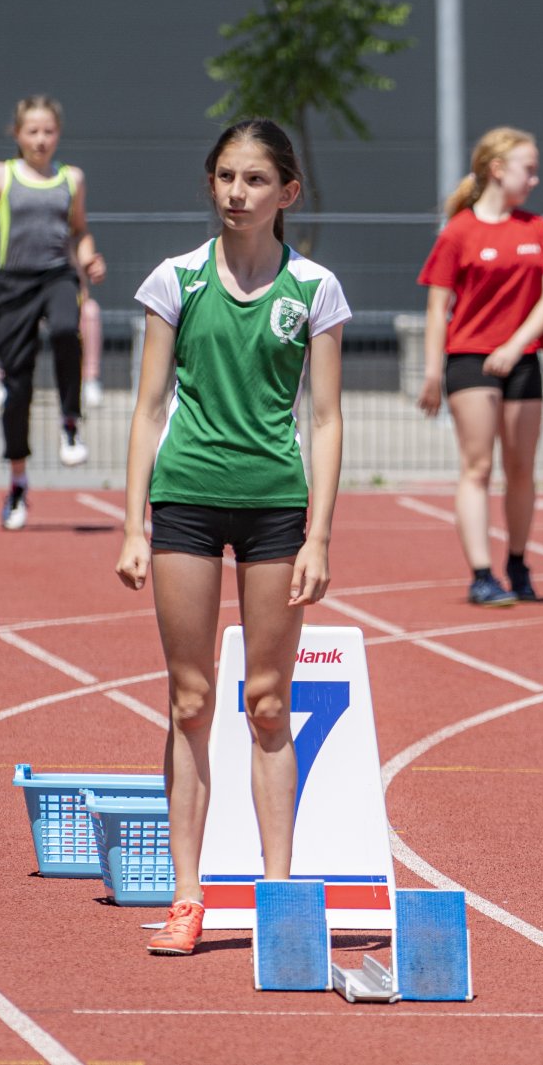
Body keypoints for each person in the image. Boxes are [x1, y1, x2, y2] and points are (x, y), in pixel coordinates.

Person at [115, 119, 348, 957]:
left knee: (268, 703)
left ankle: (279, 891)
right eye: (224, 177)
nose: (236, 193)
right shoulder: (174, 280)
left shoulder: (314, 288)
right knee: (188, 700)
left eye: (254, 179)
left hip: (276, 509)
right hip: (185, 500)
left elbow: (324, 419)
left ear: (287, 192)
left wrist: (320, 532)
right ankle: (187, 895)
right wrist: (132, 521)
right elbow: (146, 410)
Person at [416, 126, 543, 606]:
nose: (536, 179)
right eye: (529, 168)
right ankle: (482, 574)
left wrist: (516, 344)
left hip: (522, 359)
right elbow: (438, 308)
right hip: (469, 358)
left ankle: (518, 564)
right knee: (477, 466)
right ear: (498, 170)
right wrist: (433, 373)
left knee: (520, 467)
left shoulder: (536, 228)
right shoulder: (459, 231)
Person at [0, 96, 106, 529]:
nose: (41, 140)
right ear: (18, 134)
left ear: (58, 134)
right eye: (32, 131)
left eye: (48, 131)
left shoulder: (71, 178)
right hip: (13, 282)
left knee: (65, 330)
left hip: (57, 275)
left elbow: (79, 232)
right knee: (16, 384)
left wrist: (90, 257)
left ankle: (70, 421)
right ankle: (18, 481)